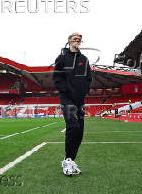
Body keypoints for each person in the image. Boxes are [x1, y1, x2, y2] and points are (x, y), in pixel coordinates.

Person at [52, 32, 92, 176]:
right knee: (73, 126)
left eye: (79, 40)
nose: (77, 41)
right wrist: (66, 90)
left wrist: (84, 91)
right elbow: (56, 77)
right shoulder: (62, 58)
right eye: (75, 39)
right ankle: (67, 160)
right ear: (69, 41)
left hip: (79, 100)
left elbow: (88, 78)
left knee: (80, 131)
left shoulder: (84, 59)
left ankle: (71, 160)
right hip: (67, 98)